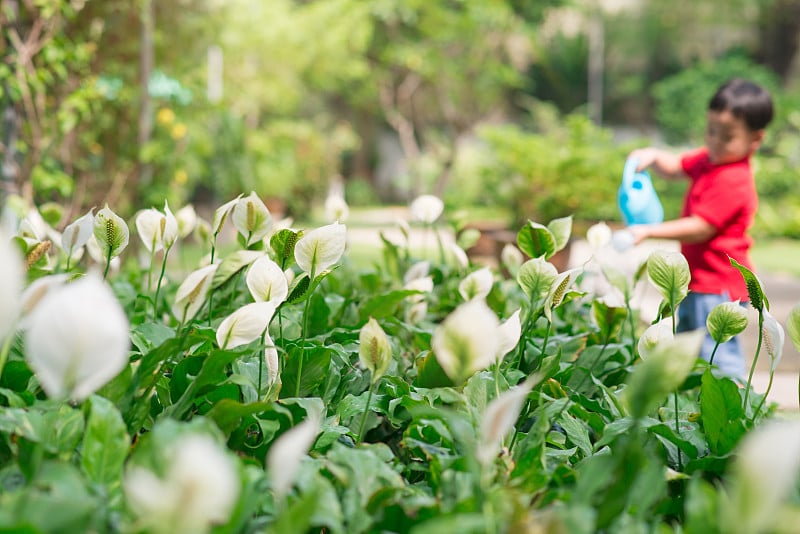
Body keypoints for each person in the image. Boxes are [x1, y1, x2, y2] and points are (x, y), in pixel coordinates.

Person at [627, 78, 774, 379]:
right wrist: (653, 156)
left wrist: (647, 230)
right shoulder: (710, 160)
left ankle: (734, 412)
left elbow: (701, 227)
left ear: (755, 140)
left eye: (727, 136)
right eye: (711, 131)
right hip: (698, 282)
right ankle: (696, 410)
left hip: (719, 287)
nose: (715, 142)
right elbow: (676, 166)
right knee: (689, 350)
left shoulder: (734, 179)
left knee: (717, 355)